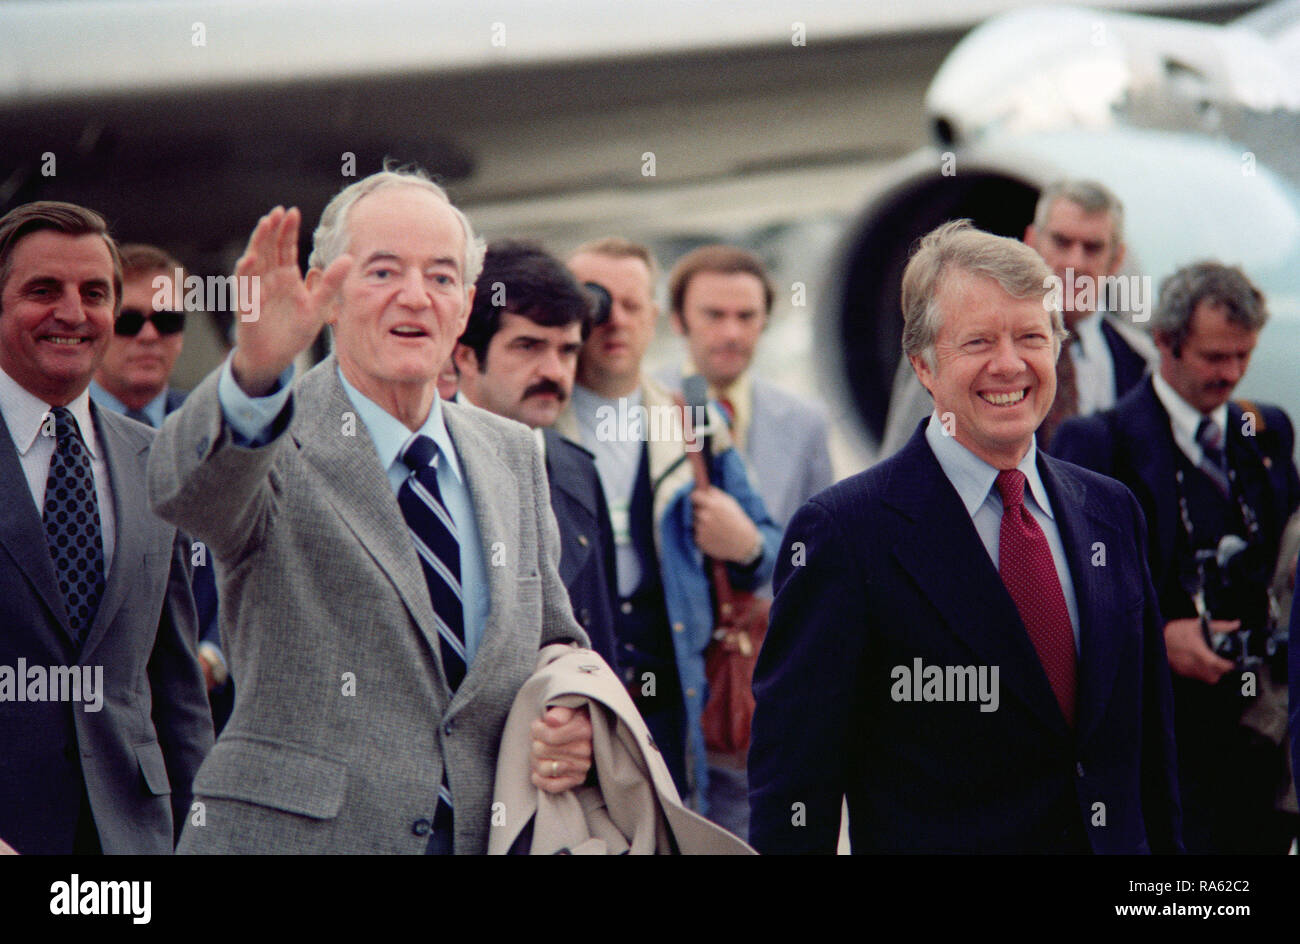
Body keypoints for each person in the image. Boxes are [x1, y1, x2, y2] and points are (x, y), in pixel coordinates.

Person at [147, 169, 593, 854]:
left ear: (467, 303)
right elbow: (187, 492)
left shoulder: (512, 455)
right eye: (383, 272)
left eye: (442, 278)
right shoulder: (274, 433)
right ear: (327, 293)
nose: (415, 297)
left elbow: (550, 637)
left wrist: (569, 704)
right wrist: (254, 375)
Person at [749, 220, 1181, 854]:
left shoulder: (1111, 512)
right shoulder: (845, 535)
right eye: (978, 341)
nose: (1009, 364)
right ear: (923, 365)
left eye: (1032, 337)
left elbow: (1150, 754)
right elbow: (795, 788)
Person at [1054, 261, 1300, 853]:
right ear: (1164, 341)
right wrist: (1160, 638)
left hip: (1260, 742)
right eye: (1215, 357)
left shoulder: (1266, 431)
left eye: (1243, 356)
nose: (1232, 374)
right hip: (1160, 745)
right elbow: (1065, 598)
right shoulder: (1097, 443)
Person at [0, 201, 212, 854]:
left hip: (129, 843)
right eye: (44, 290)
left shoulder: (154, 460)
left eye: (94, 293)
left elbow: (175, 687)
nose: (72, 312)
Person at [557, 237, 781, 829]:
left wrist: (747, 545)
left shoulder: (691, 422)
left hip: (672, 699)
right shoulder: (532, 421)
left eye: (634, 305)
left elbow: (782, 550)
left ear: (657, 316)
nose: (615, 321)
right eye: (597, 304)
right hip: (572, 699)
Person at [879, 179, 1153, 457]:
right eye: (1061, 242)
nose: (1075, 263)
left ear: (1116, 259)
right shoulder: (950, 344)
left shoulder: (1140, 360)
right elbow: (901, 459)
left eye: (1092, 247)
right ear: (1031, 241)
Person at [455, 238, 619, 668]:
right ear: (467, 356)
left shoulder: (577, 469)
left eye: (567, 350)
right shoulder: (428, 465)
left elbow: (603, 641)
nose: (553, 371)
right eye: (528, 346)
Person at [88, 244, 232, 731]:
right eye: (129, 321)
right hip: (88, 713)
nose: (149, 335)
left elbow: (258, 561)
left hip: (209, 713)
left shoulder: (221, 429)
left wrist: (211, 656)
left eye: (167, 320)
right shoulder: (55, 430)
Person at [656, 244, 835, 540]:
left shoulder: (807, 421)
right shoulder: (637, 408)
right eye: (714, 315)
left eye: (746, 316)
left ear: (765, 320)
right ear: (677, 319)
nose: (732, 334)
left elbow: (822, 545)